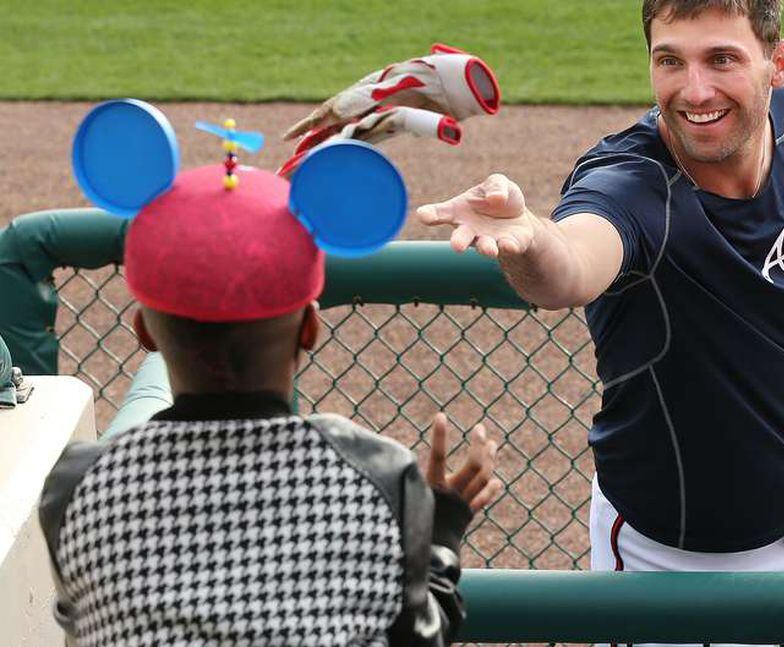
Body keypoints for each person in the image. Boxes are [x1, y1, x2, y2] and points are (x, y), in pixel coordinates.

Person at [416, 0, 784, 585]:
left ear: (778, 62)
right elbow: (567, 268)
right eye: (671, 61)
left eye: (722, 59)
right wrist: (530, 240)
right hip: (676, 557)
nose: (694, 91)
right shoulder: (631, 185)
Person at [39, 110, 501, 646]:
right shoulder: (377, 477)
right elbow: (420, 639)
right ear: (309, 328)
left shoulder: (76, 489)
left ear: (144, 330)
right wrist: (441, 530)